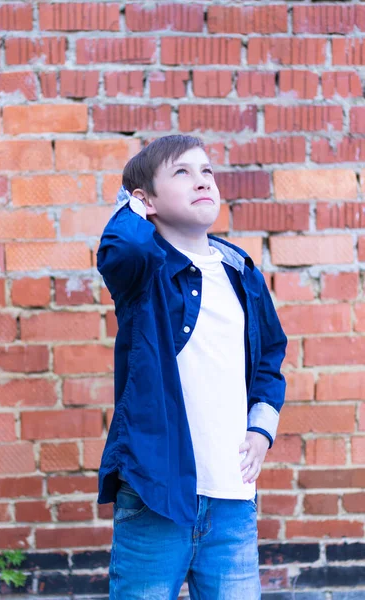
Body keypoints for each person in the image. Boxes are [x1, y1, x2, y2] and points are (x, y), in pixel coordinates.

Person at [96, 134, 287, 600]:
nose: (201, 180)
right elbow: (124, 250)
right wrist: (130, 207)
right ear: (146, 201)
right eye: (181, 173)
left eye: (206, 171)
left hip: (232, 501)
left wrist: (261, 429)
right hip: (155, 494)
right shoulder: (144, 273)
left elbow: (269, 356)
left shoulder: (241, 271)